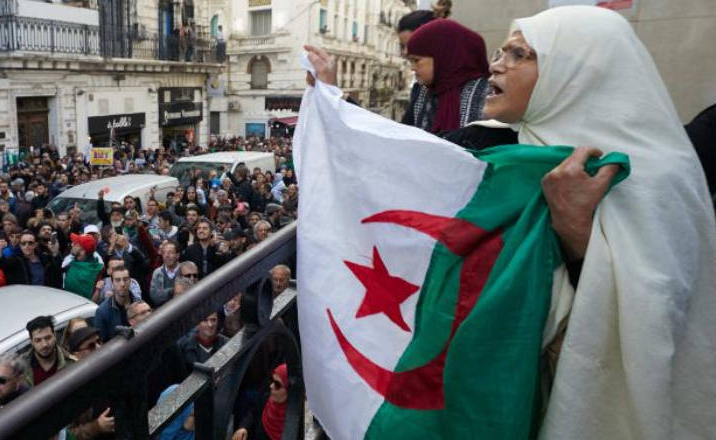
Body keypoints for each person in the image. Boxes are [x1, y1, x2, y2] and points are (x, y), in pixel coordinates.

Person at [306, 6, 716, 438]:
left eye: (520, 54)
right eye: (502, 50)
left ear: (576, 72)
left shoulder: (660, 176)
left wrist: (575, 231)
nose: (496, 64)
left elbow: (655, 322)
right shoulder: (502, 150)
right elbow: (404, 174)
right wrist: (333, 110)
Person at [401, 19, 490, 135]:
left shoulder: (487, 94)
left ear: (443, 58)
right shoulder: (423, 93)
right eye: (410, 61)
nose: (412, 68)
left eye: (416, 60)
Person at [232, 364, 289, 440]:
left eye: (277, 385)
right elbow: (254, 412)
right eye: (272, 380)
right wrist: (244, 427)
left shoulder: (297, 422)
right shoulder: (267, 399)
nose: (271, 386)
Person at [21, 315, 74, 387]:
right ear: (32, 342)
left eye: (48, 338)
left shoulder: (71, 362)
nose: (44, 345)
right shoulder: (21, 366)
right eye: (38, 340)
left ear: (54, 335)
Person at [92, 266, 134, 342]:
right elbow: (101, 342)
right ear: (112, 284)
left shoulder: (138, 301)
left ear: (130, 281)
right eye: (117, 280)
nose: (122, 284)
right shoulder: (102, 312)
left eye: (125, 279)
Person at [62, 233, 103, 300]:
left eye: (75, 244)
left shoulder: (92, 271)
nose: (72, 245)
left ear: (83, 251)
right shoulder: (72, 261)